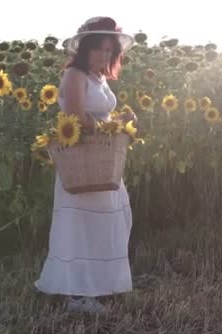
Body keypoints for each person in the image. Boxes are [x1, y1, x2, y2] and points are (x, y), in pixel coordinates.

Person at [34, 16, 137, 314]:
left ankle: (100, 284)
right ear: (84, 50)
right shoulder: (75, 75)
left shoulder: (98, 77)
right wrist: (113, 126)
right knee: (81, 223)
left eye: (109, 51)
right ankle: (76, 295)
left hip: (103, 157)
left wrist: (123, 123)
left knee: (111, 219)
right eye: (99, 49)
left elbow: (100, 118)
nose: (104, 56)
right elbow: (78, 118)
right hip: (82, 157)